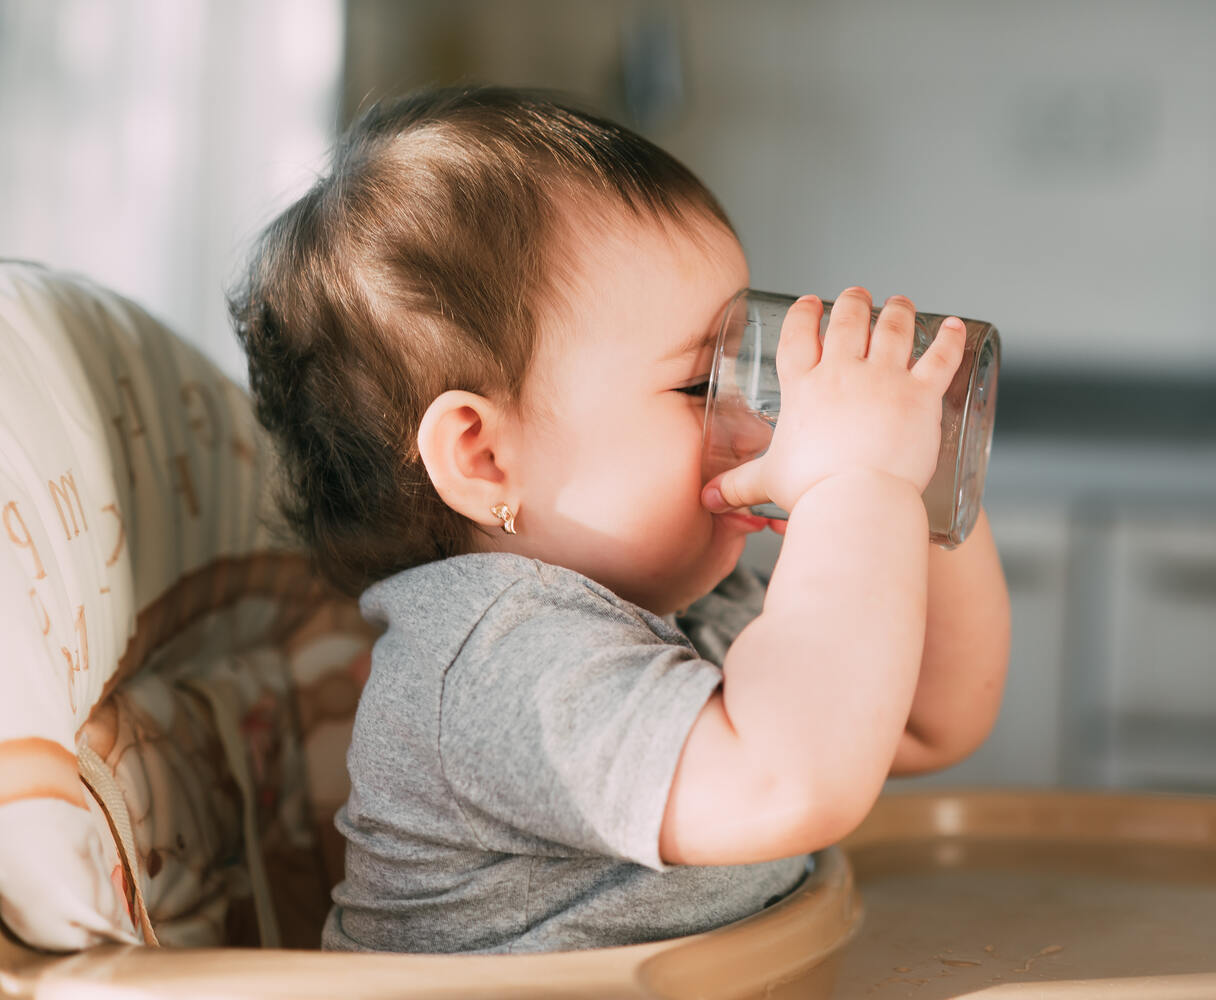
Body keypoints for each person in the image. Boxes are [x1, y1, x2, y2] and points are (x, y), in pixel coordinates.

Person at [229, 85, 1010, 955]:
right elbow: (787, 781)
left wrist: (916, 480)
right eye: (696, 389)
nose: (753, 423)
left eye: (742, 378)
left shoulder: (686, 613)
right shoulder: (492, 666)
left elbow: (932, 719)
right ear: (485, 457)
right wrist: (855, 482)